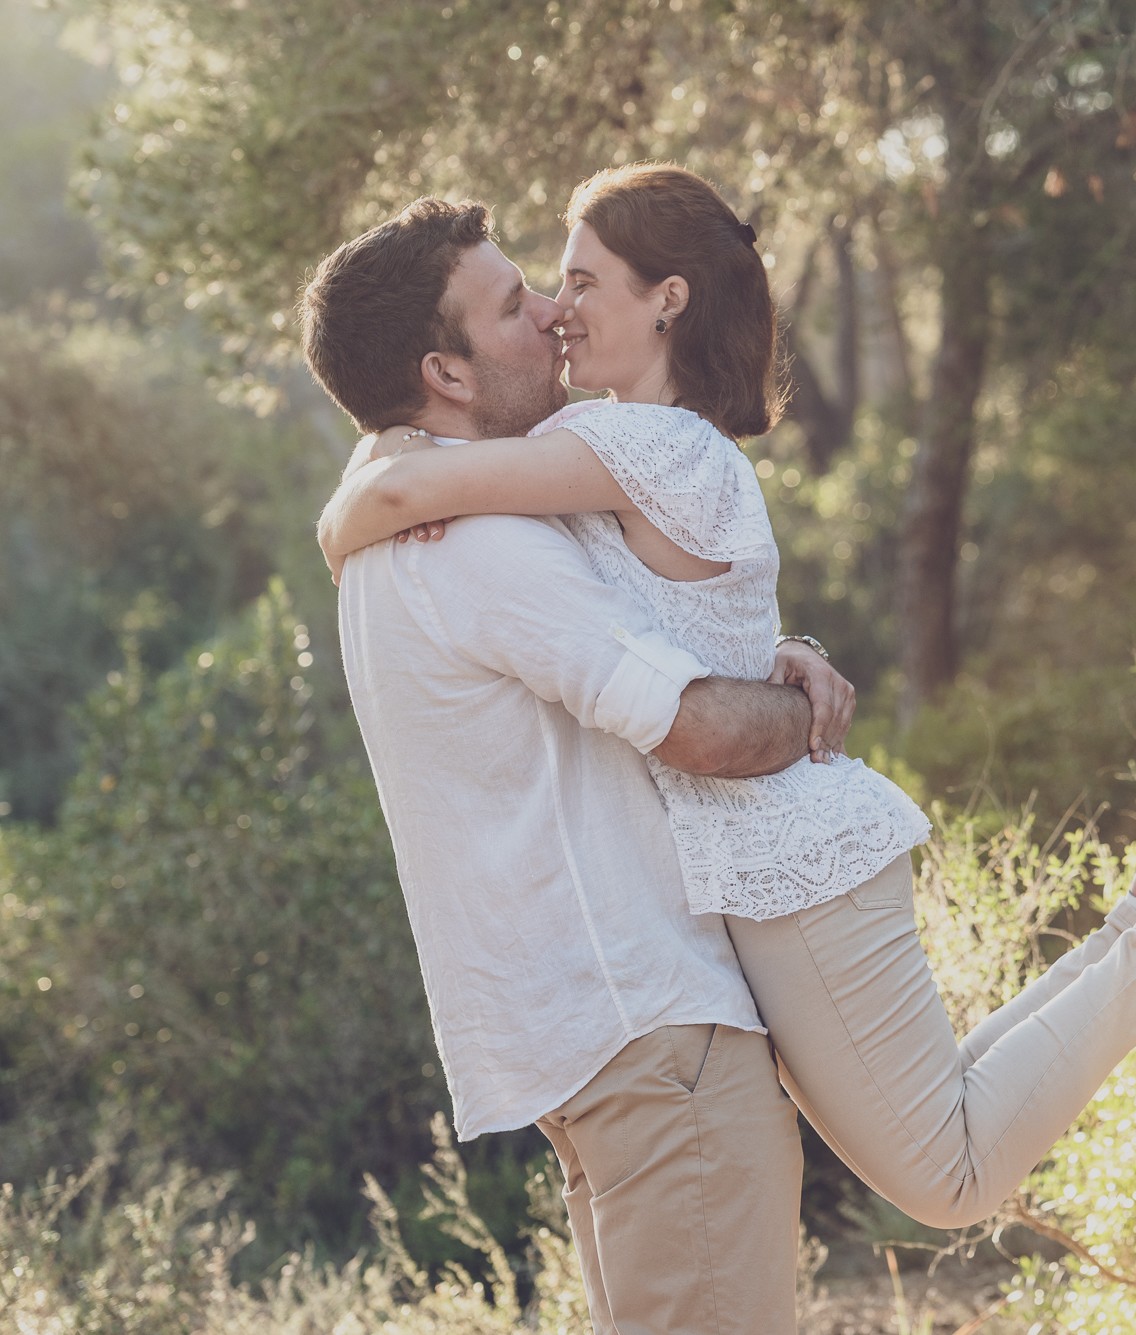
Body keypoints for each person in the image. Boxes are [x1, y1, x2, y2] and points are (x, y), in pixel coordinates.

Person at [315, 164, 1136, 1253]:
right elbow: (643, 611)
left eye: (578, 282)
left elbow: (406, 492)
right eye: (540, 292)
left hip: (786, 860)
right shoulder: (616, 450)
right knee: (944, 1129)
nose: (557, 311)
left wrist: (350, 517)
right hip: (760, 866)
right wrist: (786, 651)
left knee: (948, 1178)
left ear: (665, 299)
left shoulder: (638, 445)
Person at [299, 199, 853, 1334]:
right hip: (653, 1038)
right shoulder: (486, 546)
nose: (552, 314)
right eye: (514, 305)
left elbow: (649, 638)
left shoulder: (393, 528)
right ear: (443, 372)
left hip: (593, 1053)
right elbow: (699, 728)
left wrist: (767, 653)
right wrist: (802, 707)